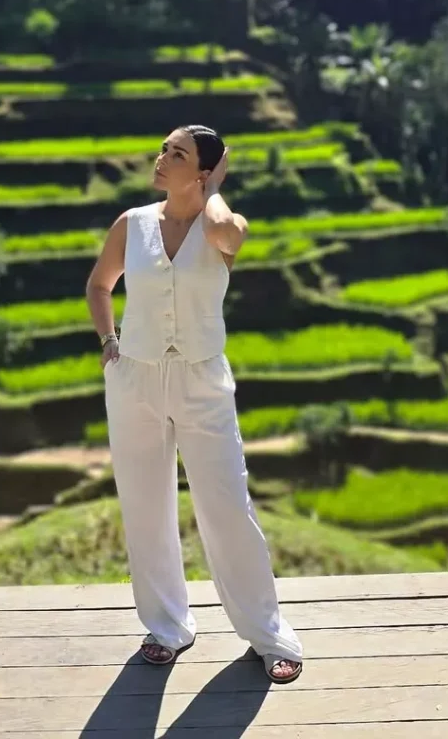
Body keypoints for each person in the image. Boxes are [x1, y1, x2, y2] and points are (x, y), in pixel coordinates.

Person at [85, 124, 304, 684]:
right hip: (134, 379)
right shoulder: (132, 225)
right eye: (162, 148)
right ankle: (166, 628)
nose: (161, 158)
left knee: (227, 505)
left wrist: (215, 188)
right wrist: (110, 344)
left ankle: (267, 634)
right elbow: (99, 286)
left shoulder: (222, 226)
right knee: (144, 504)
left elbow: (221, 228)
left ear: (204, 172)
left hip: (203, 381)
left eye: (177, 154)